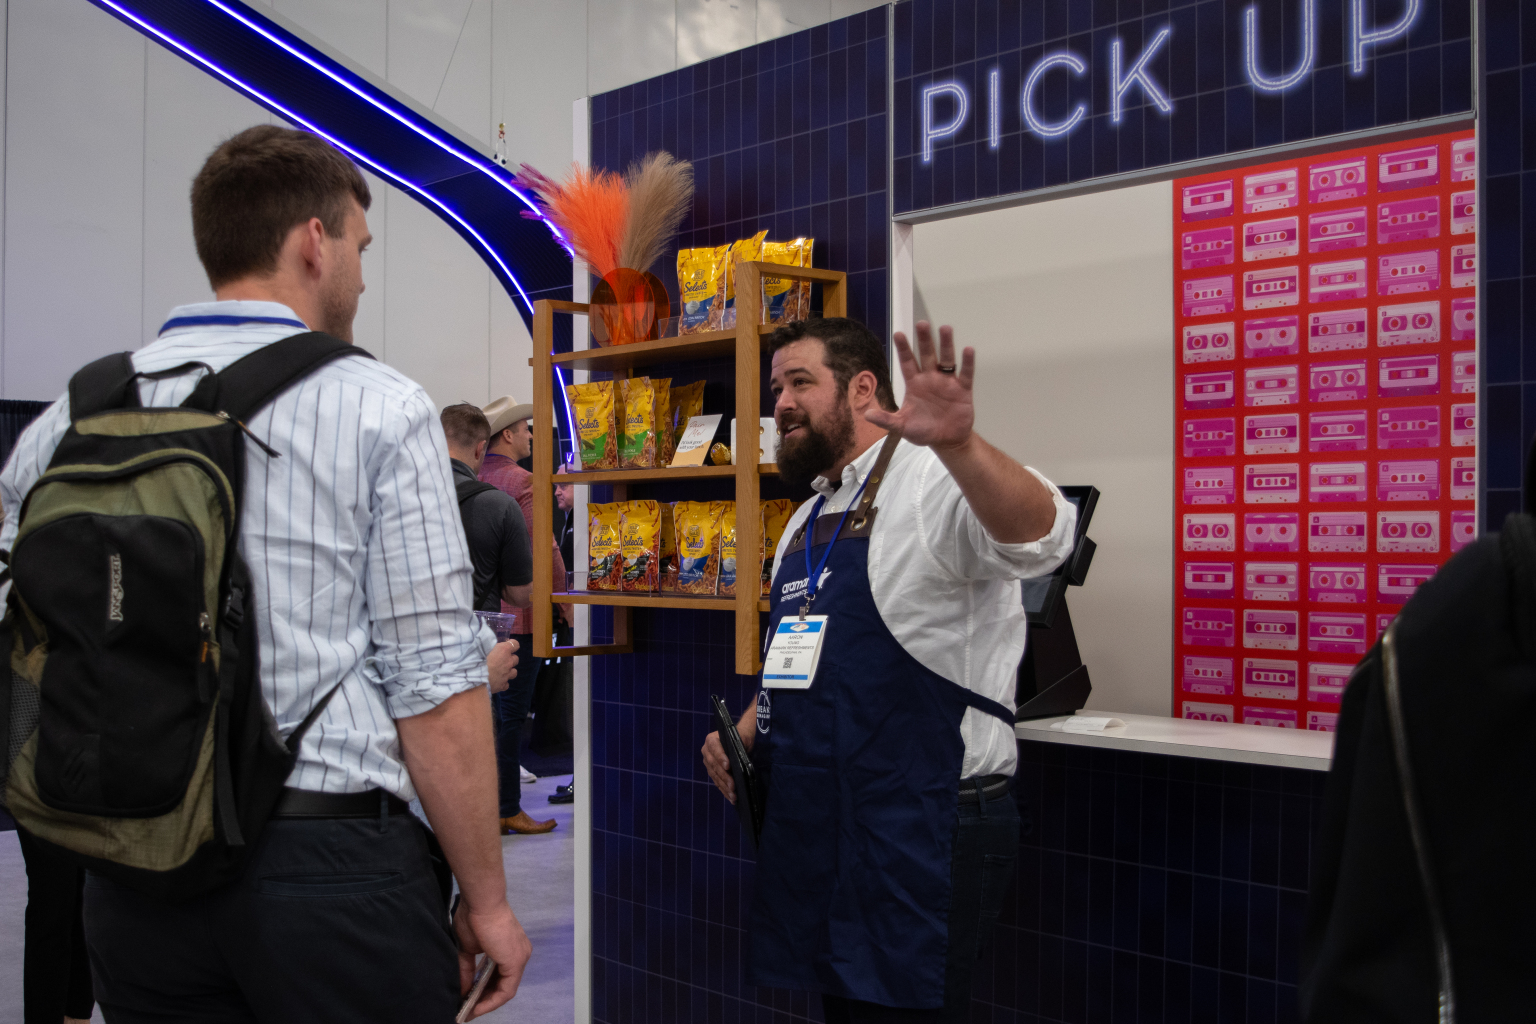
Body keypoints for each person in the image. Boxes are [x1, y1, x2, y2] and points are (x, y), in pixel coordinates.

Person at [0, 124, 531, 1021]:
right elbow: (434, 690)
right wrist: (487, 901)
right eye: (360, 248)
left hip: (134, 864)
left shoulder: (71, 417)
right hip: (326, 869)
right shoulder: (379, 407)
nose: (362, 276)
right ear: (312, 242)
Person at [700, 317, 1075, 1023]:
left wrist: (962, 445)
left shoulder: (933, 481)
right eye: (776, 386)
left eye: (800, 382)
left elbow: (1045, 539)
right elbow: (803, 647)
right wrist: (749, 725)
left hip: (926, 822)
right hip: (827, 818)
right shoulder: (807, 517)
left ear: (863, 388)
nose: (780, 401)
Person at [439, 401, 554, 836]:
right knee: (485, 741)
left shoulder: (401, 496)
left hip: (404, 657)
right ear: (481, 446)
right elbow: (519, 592)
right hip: (473, 653)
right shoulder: (501, 503)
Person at [477, 397, 569, 833]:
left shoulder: (473, 477)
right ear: (508, 434)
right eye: (526, 428)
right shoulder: (524, 481)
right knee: (512, 715)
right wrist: (564, 600)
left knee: (484, 712)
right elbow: (543, 549)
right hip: (522, 614)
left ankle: (482, 806)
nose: (532, 435)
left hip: (478, 614)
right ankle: (506, 808)